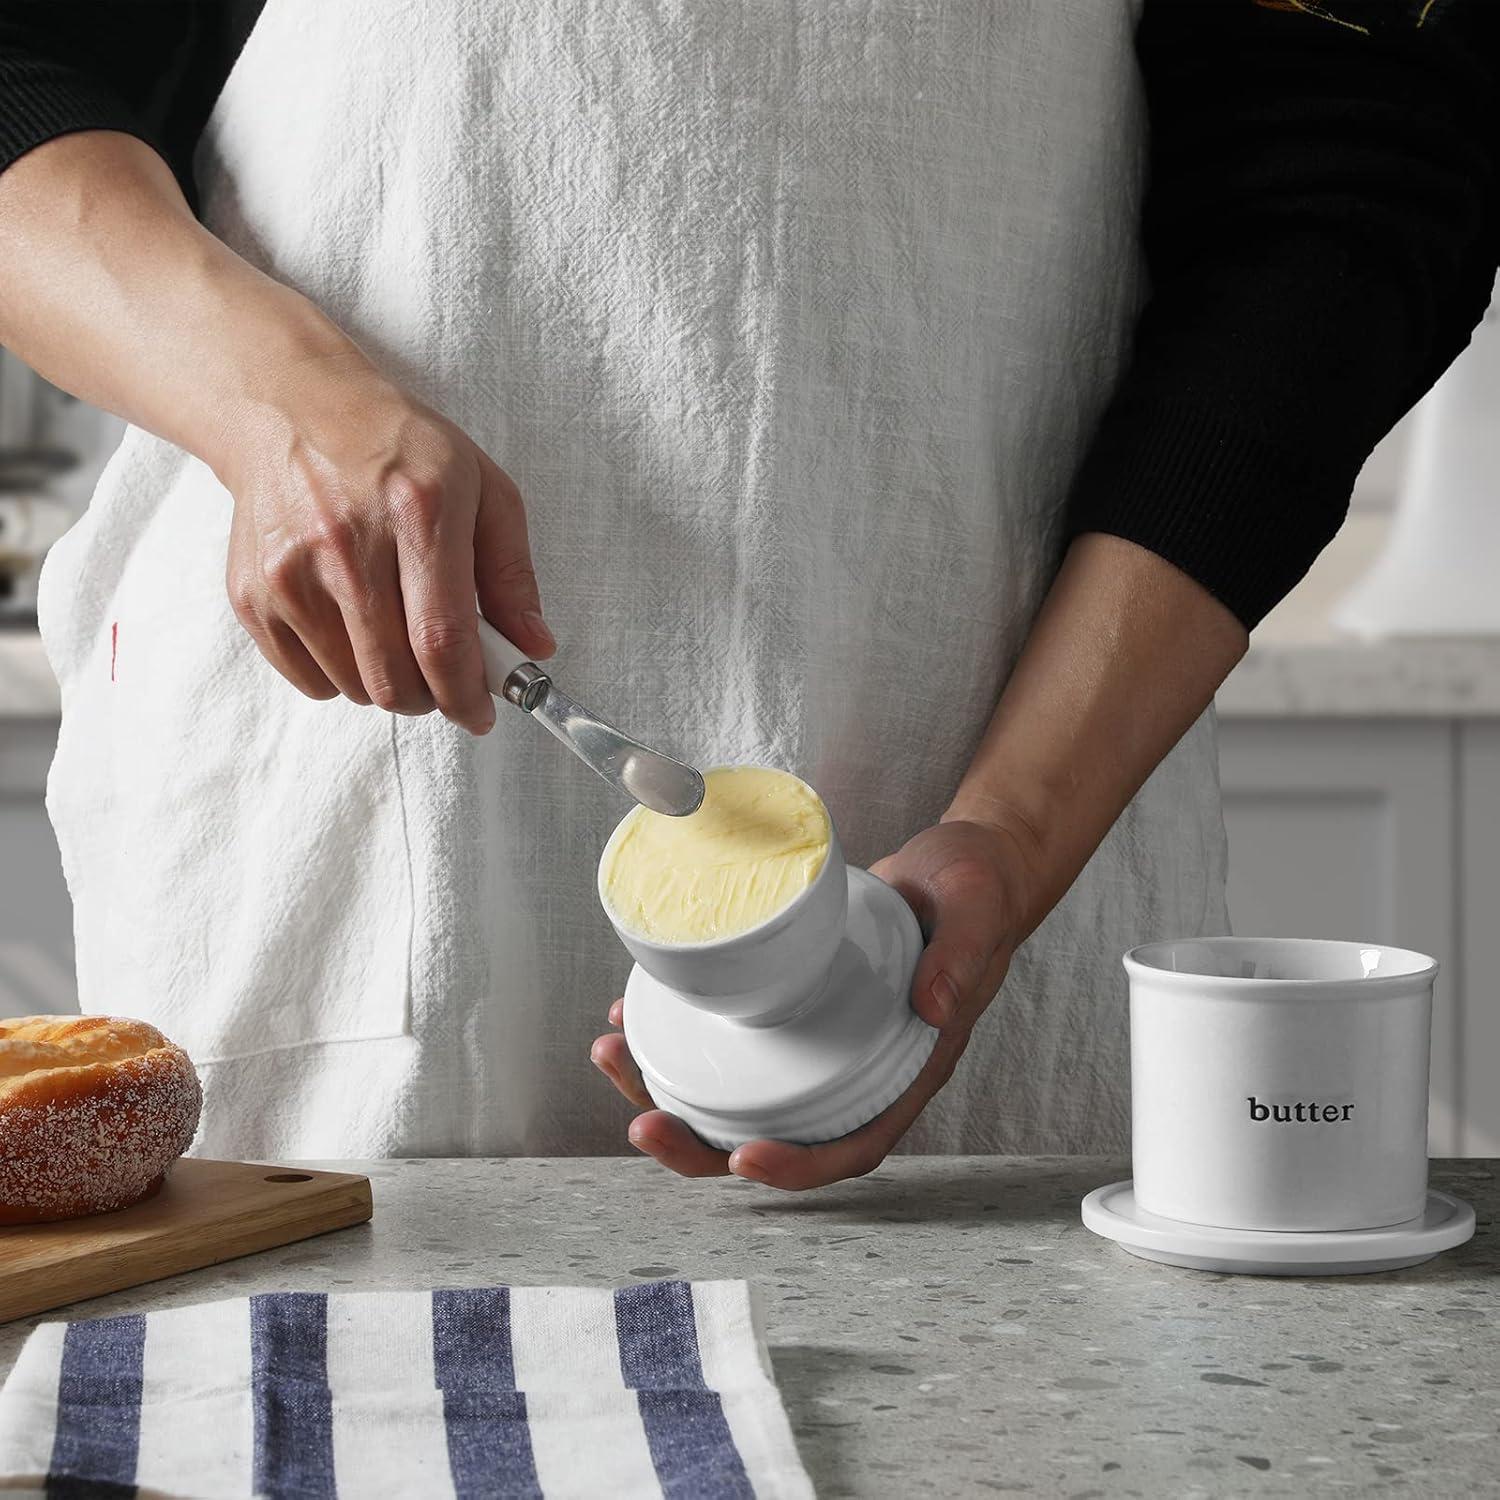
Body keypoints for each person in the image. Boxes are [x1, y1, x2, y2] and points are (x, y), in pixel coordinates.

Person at [0, 0, 1495, 1185]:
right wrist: (270, 408)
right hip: (351, 757)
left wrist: (1009, 830)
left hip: (1007, 764)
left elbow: (1349, 200)